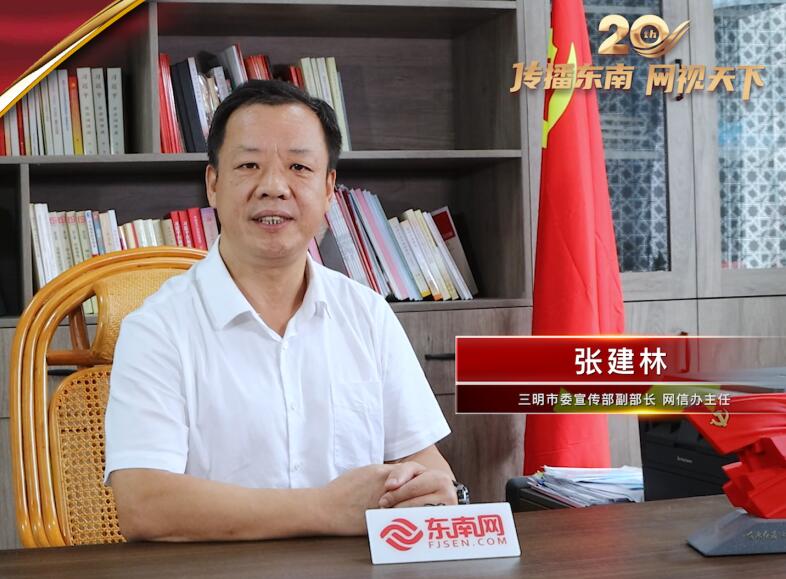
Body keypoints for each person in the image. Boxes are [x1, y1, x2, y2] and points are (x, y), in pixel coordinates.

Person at [104, 80, 458, 542]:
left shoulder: (367, 315)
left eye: (299, 167)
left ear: (329, 189)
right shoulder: (157, 329)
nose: (273, 187)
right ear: (213, 184)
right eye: (249, 165)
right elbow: (144, 505)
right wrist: (324, 509)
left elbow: (425, 463)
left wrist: (432, 491)